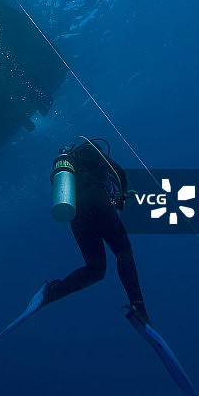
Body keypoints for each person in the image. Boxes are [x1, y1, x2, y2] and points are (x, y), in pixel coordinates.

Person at [42, 137, 150, 326]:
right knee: (123, 251)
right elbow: (119, 173)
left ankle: (53, 292)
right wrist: (125, 194)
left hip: (76, 212)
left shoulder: (70, 169)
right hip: (97, 199)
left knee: (96, 269)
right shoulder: (94, 153)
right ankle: (138, 307)